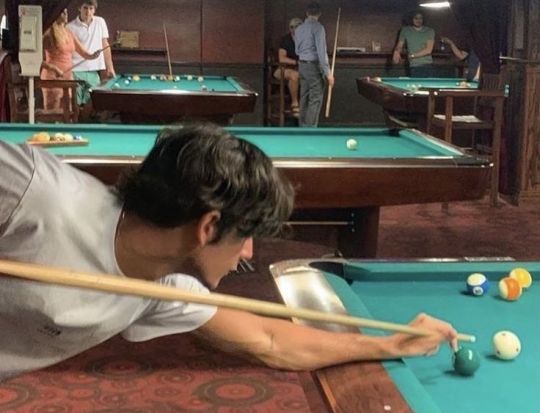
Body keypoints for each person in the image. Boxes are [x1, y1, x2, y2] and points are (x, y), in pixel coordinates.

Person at [0, 123, 458, 381]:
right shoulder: (35, 190)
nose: (249, 251)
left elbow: (271, 341)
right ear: (208, 227)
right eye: (245, 235)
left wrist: (390, 344)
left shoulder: (159, 287)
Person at [40, 8, 98, 112]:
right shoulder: (48, 33)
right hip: (53, 77)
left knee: (69, 110)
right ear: (55, 14)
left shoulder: (69, 33)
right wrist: (53, 68)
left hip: (67, 77)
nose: (66, 14)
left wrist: (94, 55)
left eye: (66, 12)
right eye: (62, 12)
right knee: (53, 111)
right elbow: (35, 59)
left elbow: (85, 53)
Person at [66, 0, 115, 114]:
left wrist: (110, 67)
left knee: (93, 102)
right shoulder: (70, 27)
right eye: (85, 8)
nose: (88, 12)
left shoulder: (100, 22)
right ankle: (75, 123)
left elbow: (105, 45)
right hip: (76, 70)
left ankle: (86, 122)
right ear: (79, 8)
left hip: (93, 70)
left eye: (91, 8)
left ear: (94, 10)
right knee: (76, 104)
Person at [294, 2, 334, 127]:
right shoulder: (318, 28)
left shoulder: (299, 29)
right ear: (319, 14)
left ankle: (302, 128)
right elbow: (321, 52)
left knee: (304, 97)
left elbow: (297, 51)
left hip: (302, 65)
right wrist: (328, 73)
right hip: (313, 66)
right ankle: (310, 129)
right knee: (315, 98)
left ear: (307, 13)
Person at [274, 17, 303, 118]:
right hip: (282, 69)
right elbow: (282, 59)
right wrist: (296, 62)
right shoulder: (285, 40)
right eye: (292, 27)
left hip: (300, 70)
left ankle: (305, 107)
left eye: (297, 27)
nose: (294, 29)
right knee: (294, 75)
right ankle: (295, 103)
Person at [392, 11, 435, 77]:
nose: (418, 20)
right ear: (411, 19)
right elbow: (400, 45)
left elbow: (428, 50)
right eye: (416, 18)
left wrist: (412, 56)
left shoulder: (430, 31)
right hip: (413, 65)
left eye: (420, 18)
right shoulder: (405, 30)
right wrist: (397, 52)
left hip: (427, 64)